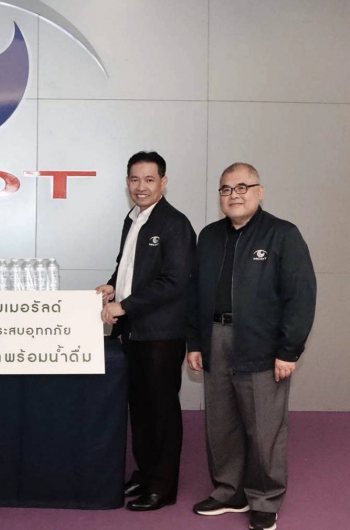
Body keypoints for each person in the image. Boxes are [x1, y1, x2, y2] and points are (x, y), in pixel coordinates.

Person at [187, 163, 316, 530]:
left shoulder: (282, 234)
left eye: (242, 187)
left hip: (262, 343)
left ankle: (264, 499)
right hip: (215, 338)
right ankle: (230, 492)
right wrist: (195, 341)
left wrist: (289, 350)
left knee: (264, 428)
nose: (234, 195)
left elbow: (301, 296)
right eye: (226, 189)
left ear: (260, 192)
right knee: (221, 423)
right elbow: (196, 293)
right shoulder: (209, 237)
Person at [95, 151, 195, 511]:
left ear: (163, 182)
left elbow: (175, 281)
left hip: (161, 335)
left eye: (149, 179)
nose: (141, 186)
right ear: (127, 182)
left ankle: (163, 487)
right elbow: (128, 267)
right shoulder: (134, 218)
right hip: (134, 333)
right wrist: (112, 286)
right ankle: (146, 473)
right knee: (139, 408)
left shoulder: (175, 224)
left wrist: (125, 305)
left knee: (161, 411)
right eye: (135, 179)